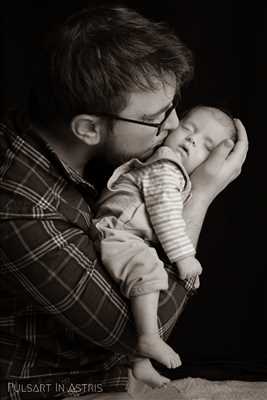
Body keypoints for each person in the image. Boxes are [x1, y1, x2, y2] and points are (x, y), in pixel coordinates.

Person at [0, 5, 248, 400]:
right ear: (89, 128)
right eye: (156, 117)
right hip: (52, 386)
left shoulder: (93, 153)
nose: (172, 127)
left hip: (111, 373)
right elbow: (143, 329)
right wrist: (201, 193)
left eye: (173, 108)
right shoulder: (20, 208)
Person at [94, 105, 237, 388]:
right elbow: (165, 215)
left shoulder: (175, 171)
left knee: (138, 294)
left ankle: (138, 361)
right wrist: (184, 256)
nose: (193, 140)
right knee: (149, 270)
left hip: (129, 236)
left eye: (207, 145)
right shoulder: (166, 165)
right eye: (189, 128)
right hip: (119, 232)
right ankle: (149, 338)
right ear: (173, 126)